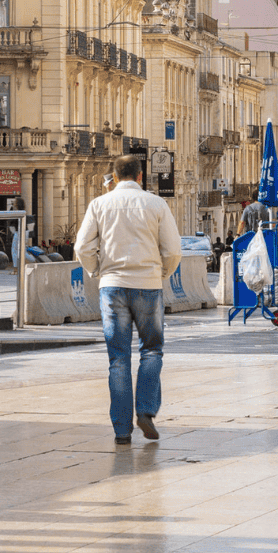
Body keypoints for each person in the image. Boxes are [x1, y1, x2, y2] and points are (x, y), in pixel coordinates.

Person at [75, 154, 181, 445]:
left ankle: (122, 430)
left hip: (112, 287)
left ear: (114, 176)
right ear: (140, 176)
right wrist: (160, 273)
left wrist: (97, 270)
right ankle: (145, 410)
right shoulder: (156, 204)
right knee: (152, 350)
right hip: (148, 285)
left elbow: (82, 246)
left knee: (118, 358)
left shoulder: (99, 204)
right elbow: (173, 250)